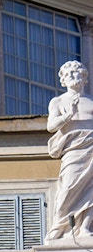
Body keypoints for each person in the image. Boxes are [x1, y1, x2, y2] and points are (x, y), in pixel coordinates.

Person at [46, 60, 93, 240]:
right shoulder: (58, 102)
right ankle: (60, 225)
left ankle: (85, 227)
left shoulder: (91, 102)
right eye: (70, 74)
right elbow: (51, 126)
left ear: (85, 79)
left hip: (91, 147)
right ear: (63, 80)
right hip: (73, 150)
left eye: (78, 74)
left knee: (90, 190)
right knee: (68, 188)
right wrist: (68, 115)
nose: (75, 77)